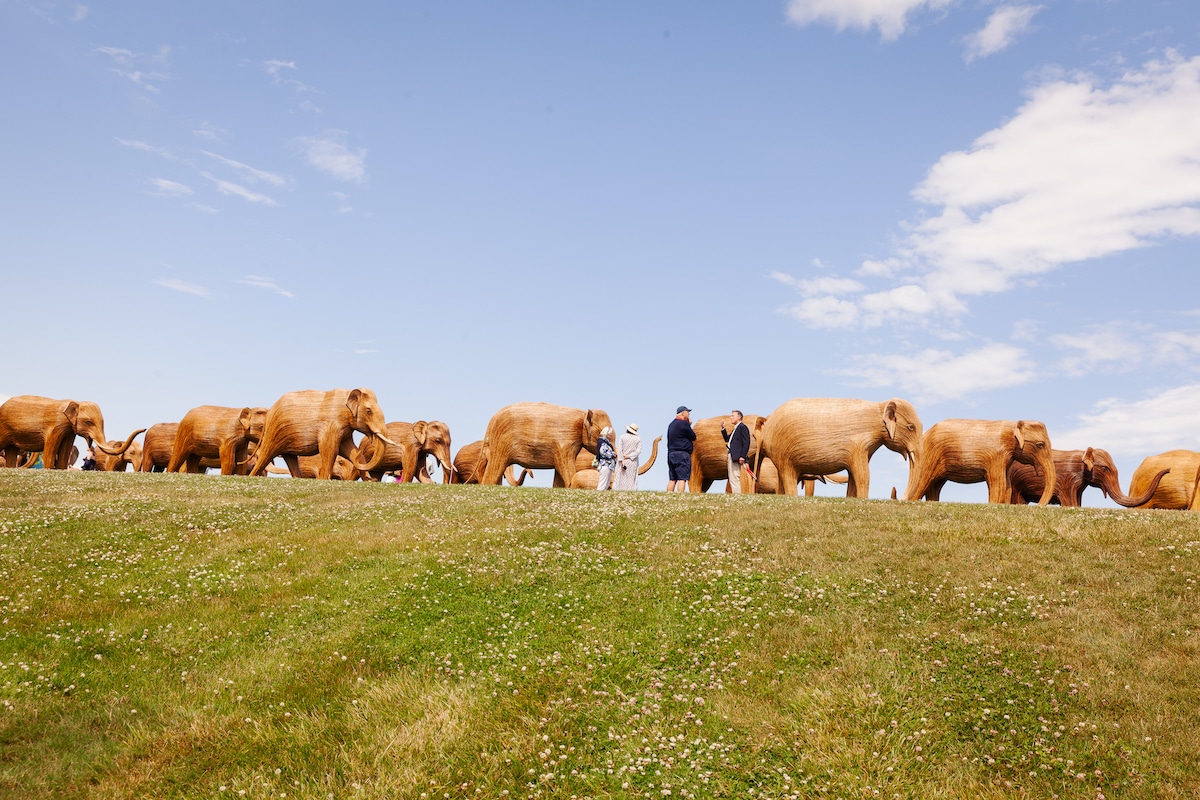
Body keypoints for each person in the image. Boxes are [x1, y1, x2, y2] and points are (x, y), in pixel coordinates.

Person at [666, 406, 695, 492]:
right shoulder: (683, 424)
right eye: (688, 412)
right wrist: (689, 424)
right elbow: (693, 436)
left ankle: (668, 495)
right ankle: (680, 496)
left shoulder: (671, 424)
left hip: (671, 454)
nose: (689, 414)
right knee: (682, 478)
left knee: (672, 478)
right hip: (682, 454)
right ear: (683, 413)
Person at [721, 409, 751, 494]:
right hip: (732, 455)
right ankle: (736, 494)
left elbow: (746, 442)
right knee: (732, 477)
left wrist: (742, 456)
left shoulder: (742, 427)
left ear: (739, 417)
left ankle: (737, 495)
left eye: (732, 416)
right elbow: (727, 439)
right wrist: (723, 428)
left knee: (735, 477)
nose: (731, 417)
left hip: (737, 456)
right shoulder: (736, 429)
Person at [615, 423, 642, 491]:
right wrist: (629, 456)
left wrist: (622, 460)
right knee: (631, 479)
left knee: (620, 478)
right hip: (632, 461)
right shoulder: (638, 439)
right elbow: (638, 451)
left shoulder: (622, 437)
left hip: (622, 460)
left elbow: (620, 450)